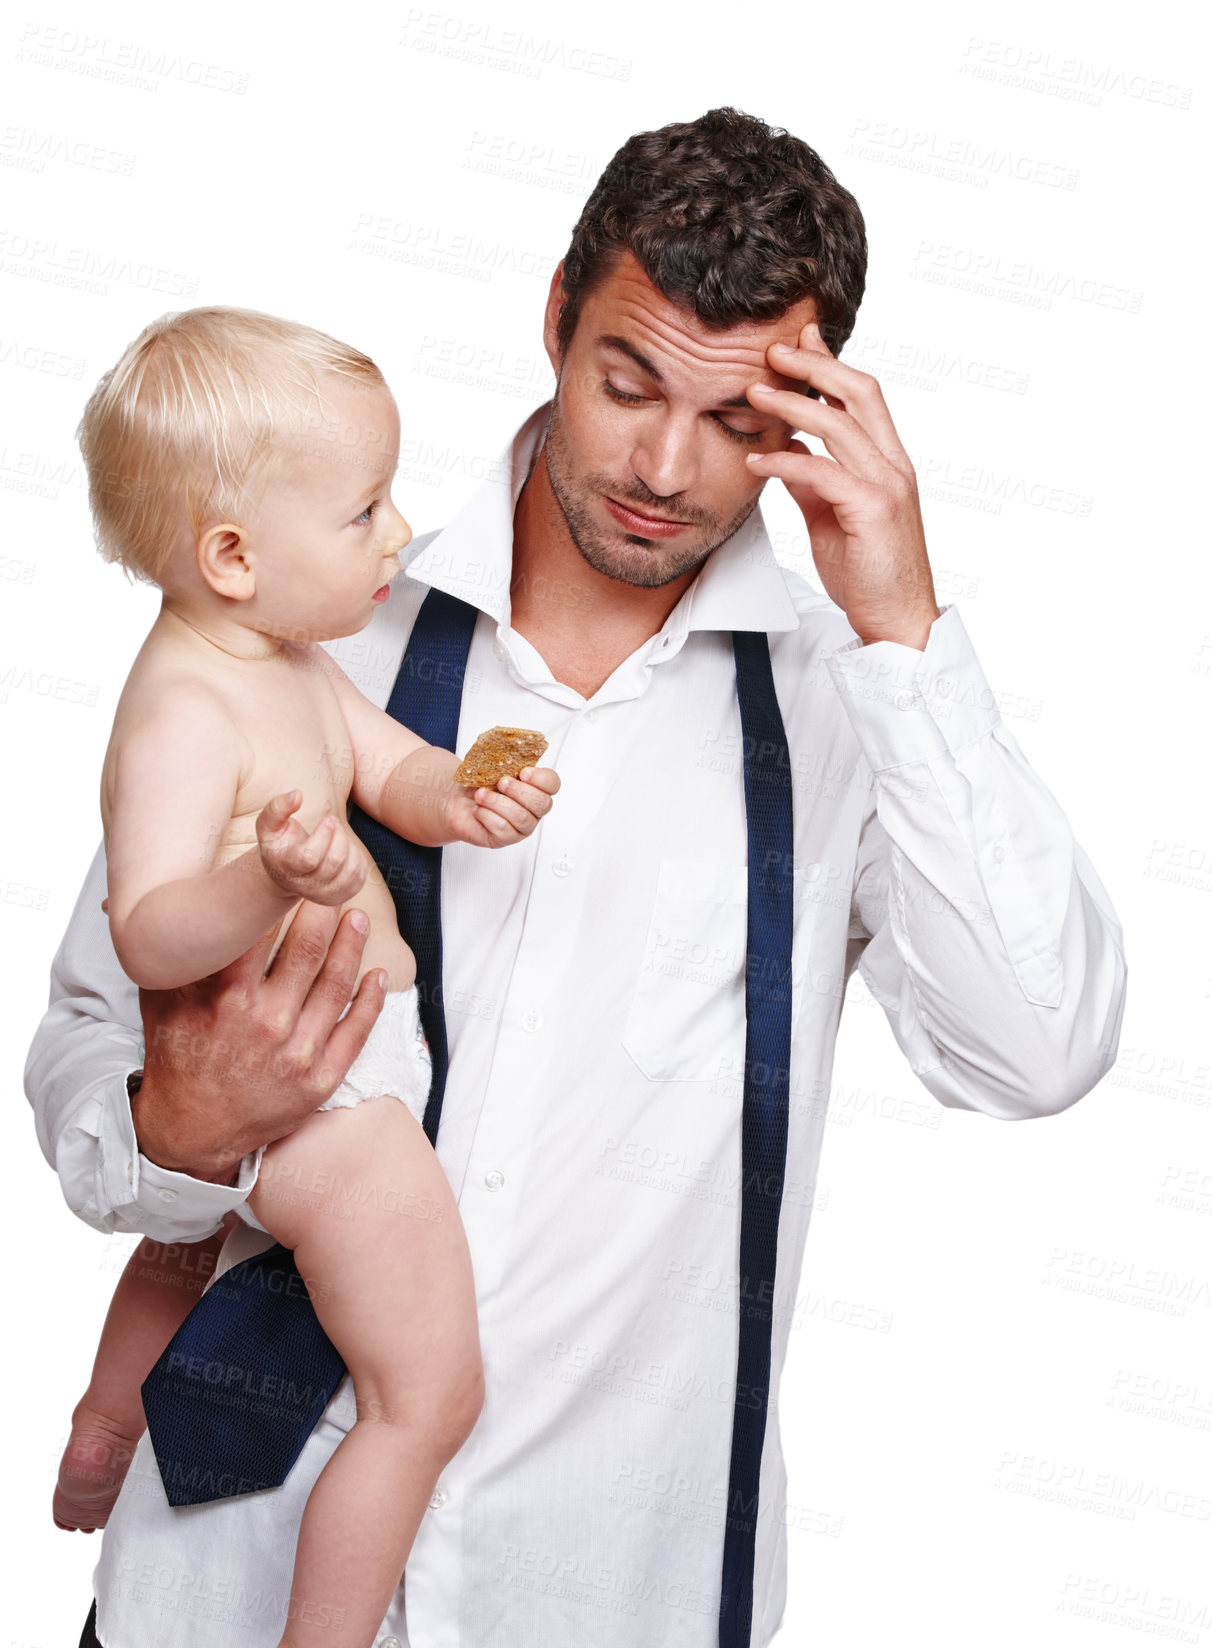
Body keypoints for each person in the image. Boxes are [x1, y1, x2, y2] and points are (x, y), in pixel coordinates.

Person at [27, 108, 1126, 1648]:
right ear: (555, 316)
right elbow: (90, 1040)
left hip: (598, 1594)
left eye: (739, 419)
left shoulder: (850, 705)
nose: (667, 467)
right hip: (218, 1594)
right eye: (627, 384)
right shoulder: (303, 617)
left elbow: (1040, 1047)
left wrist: (905, 627)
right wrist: (183, 1131)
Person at [46, 308, 558, 1648]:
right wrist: (269, 877)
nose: (399, 537)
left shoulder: (284, 660)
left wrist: (468, 793)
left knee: (183, 1243)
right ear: (232, 556)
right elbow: (150, 929)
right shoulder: (182, 711)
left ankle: (103, 1433)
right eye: (365, 511)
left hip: (278, 1088)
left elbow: (395, 774)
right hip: (326, 1096)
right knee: (429, 1396)